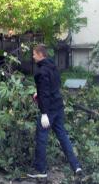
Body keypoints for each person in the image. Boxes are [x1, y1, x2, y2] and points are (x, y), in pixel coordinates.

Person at [27, 44, 83, 180]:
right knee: (63, 136)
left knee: (41, 138)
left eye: (34, 54)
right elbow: (53, 87)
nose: (33, 56)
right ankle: (76, 166)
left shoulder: (41, 72)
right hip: (58, 106)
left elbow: (45, 93)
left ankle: (41, 170)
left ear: (40, 55)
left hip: (49, 110)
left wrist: (44, 113)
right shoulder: (53, 67)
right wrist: (38, 94)